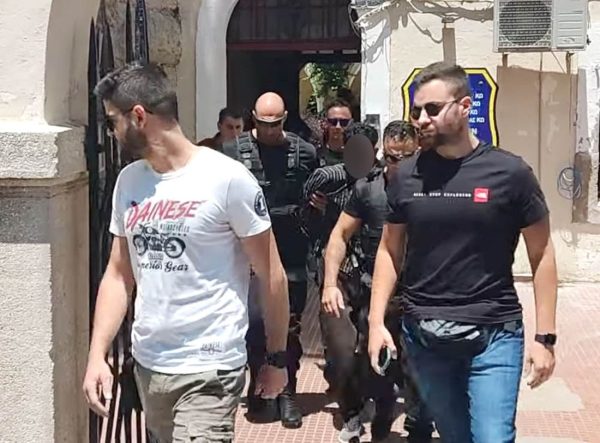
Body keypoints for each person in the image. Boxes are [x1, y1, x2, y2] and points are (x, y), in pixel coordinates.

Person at [81, 63, 290, 443]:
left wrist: (276, 358)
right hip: (150, 367)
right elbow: (118, 274)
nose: (111, 132)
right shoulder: (130, 181)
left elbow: (271, 273)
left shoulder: (228, 179)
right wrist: (98, 355)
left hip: (211, 367)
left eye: (112, 121)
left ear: (139, 116)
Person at [368, 62, 558, 443]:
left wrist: (545, 338)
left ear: (465, 106)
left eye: (433, 109)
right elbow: (389, 249)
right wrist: (376, 323)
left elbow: (542, 254)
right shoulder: (406, 176)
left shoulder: (510, 173)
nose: (421, 119)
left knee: (492, 437)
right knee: (456, 436)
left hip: (494, 334)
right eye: (417, 110)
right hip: (425, 337)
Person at [321, 120, 433, 443]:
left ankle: (413, 426)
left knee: (419, 370)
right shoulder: (368, 189)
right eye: (392, 157)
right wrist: (330, 283)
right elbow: (339, 236)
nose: (398, 165)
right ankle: (353, 414)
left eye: (407, 158)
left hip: (415, 295)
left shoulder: (431, 190)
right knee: (345, 356)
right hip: (370, 291)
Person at [222, 92, 318, 429]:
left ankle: (287, 391)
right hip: (249, 251)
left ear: (285, 118)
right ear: (253, 118)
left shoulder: (304, 153)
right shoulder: (233, 152)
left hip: (290, 251)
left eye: (276, 123)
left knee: (289, 325)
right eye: (263, 124)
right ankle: (259, 386)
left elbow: (315, 202)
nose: (270, 130)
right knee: (252, 326)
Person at [318, 99, 354, 167]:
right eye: (333, 122)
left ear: (351, 122)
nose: (338, 126)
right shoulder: (316, 152)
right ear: (326, 122)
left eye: (344, 122)